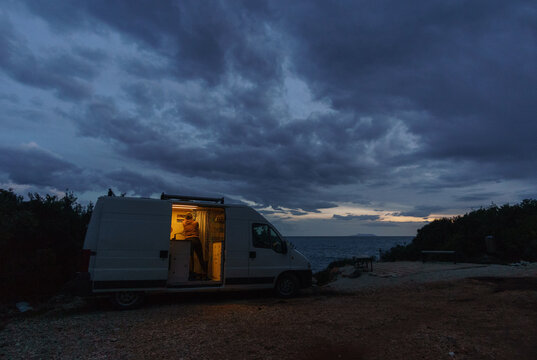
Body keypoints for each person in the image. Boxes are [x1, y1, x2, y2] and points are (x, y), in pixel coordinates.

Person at [182, 213, 207, 279]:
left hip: (188, 240)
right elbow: (196, 227)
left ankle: (190, 273)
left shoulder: (183, 223)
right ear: (191, 217)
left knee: (190, 258)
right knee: (200, 257)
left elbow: (185, 221)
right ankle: (205, 273)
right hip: (195, 239)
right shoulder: (195, 222)